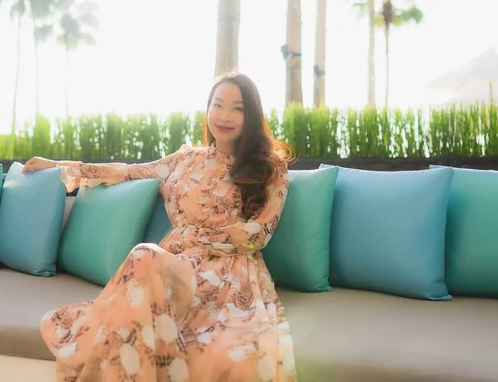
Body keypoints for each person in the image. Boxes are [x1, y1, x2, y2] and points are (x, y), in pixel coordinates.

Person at [23, 72, 298, 382]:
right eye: (218, 105)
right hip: (174, 263)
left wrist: (200, 237)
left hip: (227, 273)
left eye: (238, 108)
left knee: (149, 268)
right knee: (144, 256)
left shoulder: (271, 167)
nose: (225, 116)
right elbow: (126, 172)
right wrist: (58, 166)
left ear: (252, 115)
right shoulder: (184, 160)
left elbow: (261, 232)